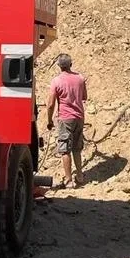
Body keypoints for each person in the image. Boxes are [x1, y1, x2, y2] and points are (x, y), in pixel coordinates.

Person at [45, 53, 88, 189]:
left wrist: (49, 120)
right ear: (71, 64)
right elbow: (84, 96)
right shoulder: (80, 78)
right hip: (79, 117)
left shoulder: (56, 81)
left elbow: (51, 104)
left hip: (65, 118)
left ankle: (69, 180)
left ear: (59, 66)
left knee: (65, 150)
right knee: (77, 147)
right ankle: (80, 176)